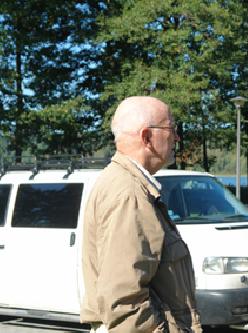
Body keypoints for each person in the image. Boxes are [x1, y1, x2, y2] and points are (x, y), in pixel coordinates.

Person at [81, 96, 202, 333]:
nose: (177, 137)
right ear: (147, 137)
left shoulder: (128, 184)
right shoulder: (129, 192)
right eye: (171, 129)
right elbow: (125, 298)